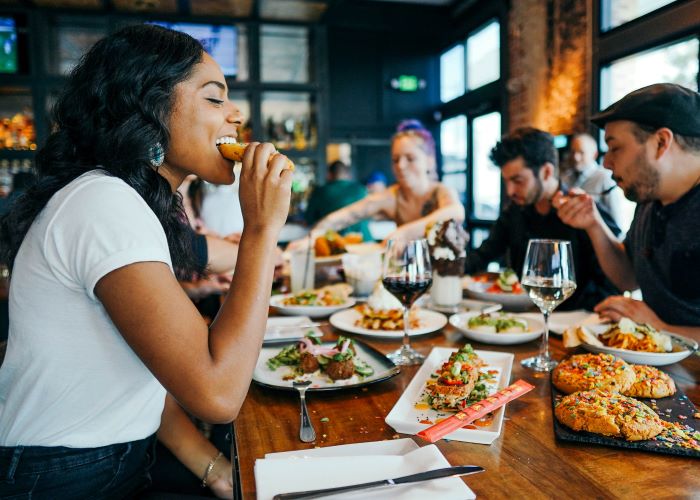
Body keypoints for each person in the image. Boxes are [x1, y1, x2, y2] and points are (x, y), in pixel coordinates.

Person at [0, 24, 292, 498]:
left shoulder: (127, 202)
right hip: (59, 476)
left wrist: (214, 469)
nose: (236, 114)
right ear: (149, 107)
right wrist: (261, 229)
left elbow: (143, 374)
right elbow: (217, 393)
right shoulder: (103, 203)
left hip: (109, 460)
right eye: (215, 99)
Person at [554, 83, 700, 338]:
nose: (607, 163)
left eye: (615, 147)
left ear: (661, 142)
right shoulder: (650, 201)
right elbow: (628, 278)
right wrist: (593, 223)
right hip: (656, 369)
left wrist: (662, 329)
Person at [464, 127, 620, 311]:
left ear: (546, 172)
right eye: (506, 181)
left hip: (574, 325)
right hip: (524, 319)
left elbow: (613, 283)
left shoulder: (584, 212)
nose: (510, 191)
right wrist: (446, 265)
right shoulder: (514, 212)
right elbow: (482, 256)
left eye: (518, 180)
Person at [290, 120, 464, 247]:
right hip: (411, 278)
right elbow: (346, 216)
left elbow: (455, 212)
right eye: (396, 159)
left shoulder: (441, 191)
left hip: (446, 279)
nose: (400, 166)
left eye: (410, 158)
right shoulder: (392, 196)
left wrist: (403, 233)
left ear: (430, 161)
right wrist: (311, 238)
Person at [561, 133, 630, 231]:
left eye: (581, 152)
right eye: (573, 152)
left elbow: (616, 221)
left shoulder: (605, 178)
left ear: (594, 154)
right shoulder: (566, 177)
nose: (576, 157)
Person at [304, 160, 372, 241]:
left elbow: (309, 219)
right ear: (347, 174)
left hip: (335, 244)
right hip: (365, 242)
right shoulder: (361, 189)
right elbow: (370, 216)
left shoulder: (320, 192)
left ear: (329, 174)